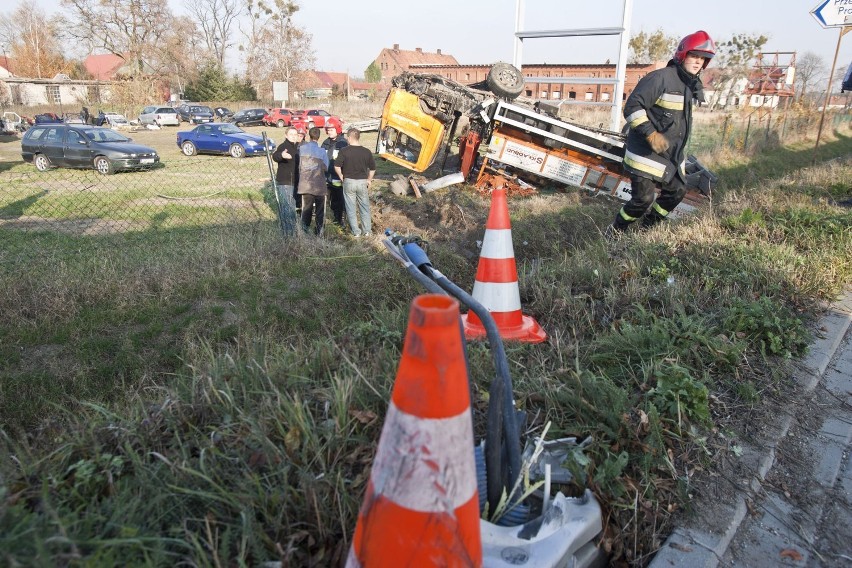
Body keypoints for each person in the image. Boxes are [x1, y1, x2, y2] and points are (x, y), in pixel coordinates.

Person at [606, 30, 715, 237]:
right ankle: (615, 231)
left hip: (670, 153)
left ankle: (648, 226)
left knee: (677, 192)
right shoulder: (660, 78)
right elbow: (632, 107)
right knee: (642, 200)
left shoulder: (690, 84)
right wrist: (651, 134)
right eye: (694, 56)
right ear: (683, 54)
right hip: (645, 152)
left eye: (703, 59)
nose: (698, 62)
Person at [334, 128, 376, 237]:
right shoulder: (366, 151)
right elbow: (372, 168)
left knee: (351, 208)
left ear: (349, 138)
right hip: (362, 182)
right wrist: (369, 180)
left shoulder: (344, 151)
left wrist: (341, 176)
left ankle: (356, 232)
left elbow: (337, 166)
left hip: (349, 182)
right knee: (364, 207)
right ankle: (367, 231)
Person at [297, 127, 329, 235]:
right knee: (320, 211)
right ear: (319, 137)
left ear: (309, 136)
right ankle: (319, 232)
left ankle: (304, 231)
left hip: (305, 185)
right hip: (319, 186)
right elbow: (326, 168)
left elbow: (300, 166)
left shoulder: (302, 149)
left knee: (306, 209)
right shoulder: (322, 151)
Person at [272, 126, 300, 224]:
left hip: (295, 182)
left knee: (292, 206)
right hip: (285, 181)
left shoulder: (297, 147)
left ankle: (292, 229)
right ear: (286, 135)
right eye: (291, 134)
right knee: (287, 207)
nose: (293, 136)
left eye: (295, 134)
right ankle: (288, 230)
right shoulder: (283, 146)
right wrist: (281, 155)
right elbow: (275, 156)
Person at [321, 122, 348, 226]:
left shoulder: (342, 143)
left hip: (338, 176)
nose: (329, 132)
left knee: (339, 199)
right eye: (328, 130)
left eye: (331, 129)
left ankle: (340, 219)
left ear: (338, 129)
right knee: (328, 200)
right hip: (327, 176)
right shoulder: (325, 142)